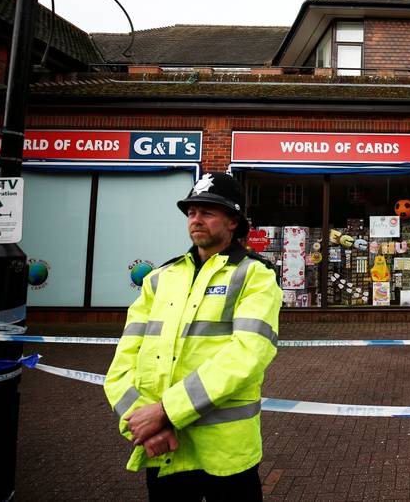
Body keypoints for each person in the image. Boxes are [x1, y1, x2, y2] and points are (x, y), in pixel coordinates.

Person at [104, 172, 282, 501]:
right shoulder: (160, 278)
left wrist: (165, 412)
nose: (196, 219)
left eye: (207, 212)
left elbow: (247, 354)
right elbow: (123, 360)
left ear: (233, 221)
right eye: (191, 212)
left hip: (225, 456)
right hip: (164, 448)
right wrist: (143, 424)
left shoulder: (255, 275)